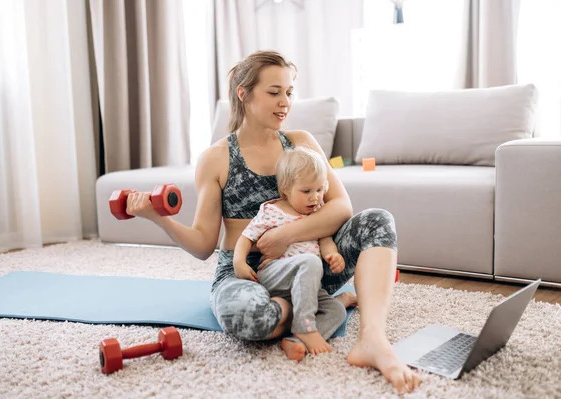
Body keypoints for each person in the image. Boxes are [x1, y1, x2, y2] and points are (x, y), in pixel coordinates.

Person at [126, 50, 421, 394]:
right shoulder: (217, 157)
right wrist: (157, 218)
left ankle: (372, 339)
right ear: (244, 93)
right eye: (274, 92)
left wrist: (286, 235)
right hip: (246, 272)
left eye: (289, 92)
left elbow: (341, 206)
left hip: (309, 258)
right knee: (246, 319)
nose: (285, 102)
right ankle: (321, 305)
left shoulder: (301, 143)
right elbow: (203, 244)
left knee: (377, 221)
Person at [233, 146, 349, 359]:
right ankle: (305, 326)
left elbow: (326, 241)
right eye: (306, 191)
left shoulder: (317, 214)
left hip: (307, 287)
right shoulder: (272, 211)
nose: (315, 198)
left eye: (319, 190)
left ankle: (295, 341)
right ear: (285, 188)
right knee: (309, 262)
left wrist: (333, 255)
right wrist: (239, 262)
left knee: (336, 311)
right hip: (276, 275)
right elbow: (246, 237)